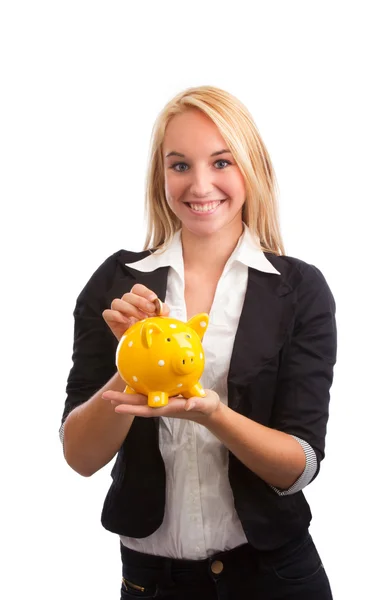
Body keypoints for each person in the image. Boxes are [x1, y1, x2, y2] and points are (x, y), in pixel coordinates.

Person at [60, 85, 337, 600]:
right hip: (153, 582)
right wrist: (133, 365)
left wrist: (212, 413)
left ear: (251, 169)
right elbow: (80, 456)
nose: (200, 183)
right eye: (180, 165)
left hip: (274, 578)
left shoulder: (298, 290)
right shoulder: (115, 285)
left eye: (221, 161)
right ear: (160, 176)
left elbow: (299, 466)